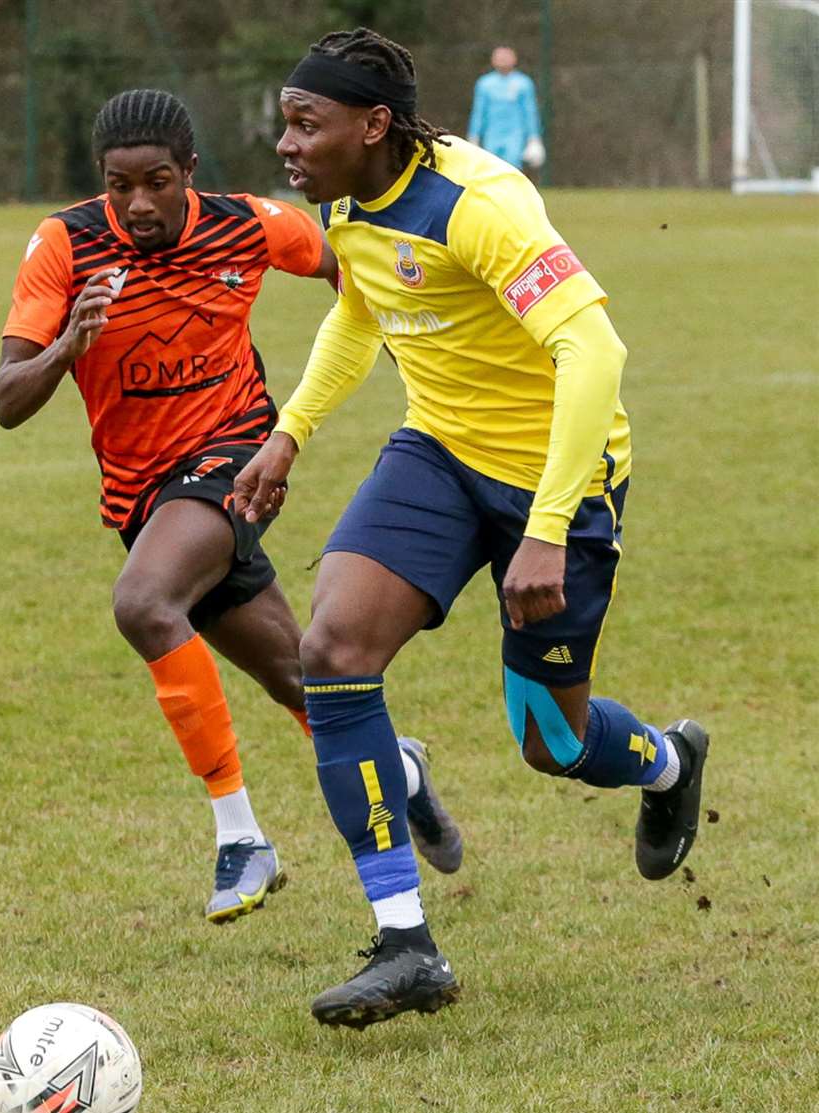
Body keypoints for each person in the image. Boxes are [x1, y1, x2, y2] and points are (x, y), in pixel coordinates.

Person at [235, 27, 709, 1028]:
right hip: (439, 456)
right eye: (286, 121)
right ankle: (406, 941)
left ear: (374, 126)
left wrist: (545, 528)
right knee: (333, 650)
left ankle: (667, 761)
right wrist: (290, 435)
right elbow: (361, 312)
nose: (286, 141)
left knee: (552, 740)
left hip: (560, 483)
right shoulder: (349, 200)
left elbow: (594, 352)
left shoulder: (479, 206)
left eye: (304, 123)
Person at [0, 88, 372, 925]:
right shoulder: (66, 244)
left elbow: (359, 267)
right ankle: (398, 770)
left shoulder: (248, 224)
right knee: (300, 681)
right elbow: (6, 400)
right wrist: (68, 345)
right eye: (119, 184)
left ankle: (241, 837)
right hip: (142, 493)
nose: (138, 203)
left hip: (239, 456)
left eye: (157, 182)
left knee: (144, 601)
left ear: (189, 174)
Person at [466, 45, 544, 171]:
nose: (502, 60)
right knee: (490, 168)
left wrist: (534, 138)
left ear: (514, 59)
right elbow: (478, 111)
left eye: (506, 56)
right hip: (491, 134)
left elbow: (530, 112)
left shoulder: (523, 83)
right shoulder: (484, 83)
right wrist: (473, 136)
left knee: (512, 168)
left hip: (515, 135)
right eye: (499, 56)